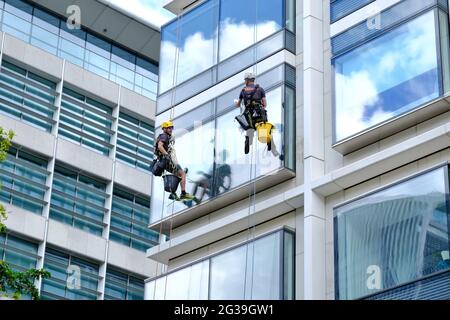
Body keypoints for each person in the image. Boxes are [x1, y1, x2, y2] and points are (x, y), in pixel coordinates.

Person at [154, 120, 194, 201]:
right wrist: (166, 155)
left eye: (171, 128)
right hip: (168, 160)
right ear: (164, 129)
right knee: (182, 174)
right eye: (168, 128)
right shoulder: (164, 136)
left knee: (178, 174)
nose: (170, 129)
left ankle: (173, 193)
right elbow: (160, 146)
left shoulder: (164, 137)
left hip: (164, 162)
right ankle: (183, 194)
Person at [234, 72, 267, 154]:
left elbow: (238, 104)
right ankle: (264, 136)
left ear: (247, 80)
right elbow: (265, 104)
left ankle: (248, 138)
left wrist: (236, 104)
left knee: (249, 127)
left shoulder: (243, 90)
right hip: (259, 113)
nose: (244, 82)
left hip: (248, 114)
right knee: (262, 123)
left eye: (245, 80)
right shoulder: (260, 89)